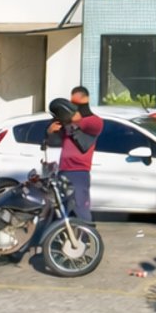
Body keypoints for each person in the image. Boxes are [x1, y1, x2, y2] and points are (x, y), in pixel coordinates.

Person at [45, 90, 103, 223]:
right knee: (61, 209)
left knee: (80, 208)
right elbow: (54, 141)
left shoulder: (94, 121)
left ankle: (86, 234)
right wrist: (50, 131)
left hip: (78, 171)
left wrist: (69, 120)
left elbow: (83, 127)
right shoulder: (66, 125)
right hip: (63, 171)